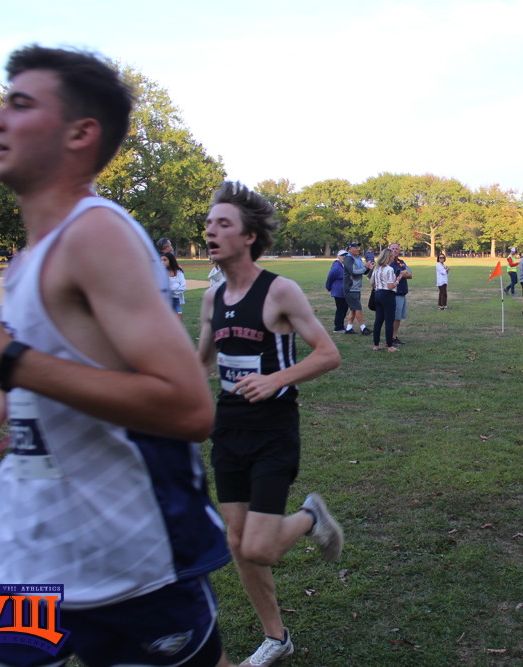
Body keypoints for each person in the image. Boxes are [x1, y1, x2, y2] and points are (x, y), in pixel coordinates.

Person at [0, 45, 231, 666]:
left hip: (129, 564)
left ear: (80, 133)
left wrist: (7, 362)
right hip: (28, 554)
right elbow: (69, 349)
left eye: (20, 104)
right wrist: (5, 388)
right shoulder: (30, 257)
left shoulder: (95, 233)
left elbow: (187, 409)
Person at [199, 181, 344, 666]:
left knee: (259, 548)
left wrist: (274, 379)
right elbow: (201, 363)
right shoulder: (212, 299)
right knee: (238, 543)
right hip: (228, 429)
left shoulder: (279, 290)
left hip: (273, 429)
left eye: (223, 224)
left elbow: (328, 353)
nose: (211, 231)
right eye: (209, 223)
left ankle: (309, 517)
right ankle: (276, 637)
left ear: (248, 237)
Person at [370, 248, 399, 351]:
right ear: (389, 257)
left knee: (378, 320)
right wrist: (398, 280)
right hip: (387, 294)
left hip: (378, 293)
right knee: (389, 321)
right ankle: (390, 345)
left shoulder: (377, 268)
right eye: (392, 256)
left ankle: (376, 344)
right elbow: (390, 286)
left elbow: (371, 282)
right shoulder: (389, 269)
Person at [342, 242, 372, 336]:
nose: (358, 249)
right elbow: (353, 272)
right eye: (355, 247)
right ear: (350, 249)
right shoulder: (348, 259)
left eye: (358, 247)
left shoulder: (358, 258)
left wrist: (369, 268)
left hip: (356, 288)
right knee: (358, 308)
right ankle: (363, 328)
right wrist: (365, 267)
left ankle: (349, 328)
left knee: (354, 309)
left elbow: (363, 272)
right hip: (350, 288)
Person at [389, 242, 413, 345]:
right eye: (393, 249)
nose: (395, 250)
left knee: (398, 317)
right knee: (394, 316)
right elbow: (392, 276)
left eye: (397, 249)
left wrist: (403, 274)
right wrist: (402, 273)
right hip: (394, 293)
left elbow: (410, 274)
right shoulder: (388, 263)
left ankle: (394, 336)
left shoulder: (401, 262)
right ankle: (391, 337)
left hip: (402, 292)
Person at [325, 250, 349, 333]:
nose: (344, 257)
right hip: (338, 292)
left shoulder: (344, 265)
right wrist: (328, 287)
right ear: (338, 257)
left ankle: (340, 326)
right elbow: (330, 278)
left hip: (344, 291)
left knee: (344, 309)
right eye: (342, 255)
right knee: (341, 309)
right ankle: (338, 327)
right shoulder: (336, 267)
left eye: (346, 255)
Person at [161, 251, 187, 319]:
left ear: (170, 260)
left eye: (165, 260)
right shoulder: (161, 272)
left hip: (176, 299)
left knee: (178, 318)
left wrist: (172, 290)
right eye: (161, 260)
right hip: (165, 299)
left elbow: (183, 286)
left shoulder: (178, 271)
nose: (162, 262)